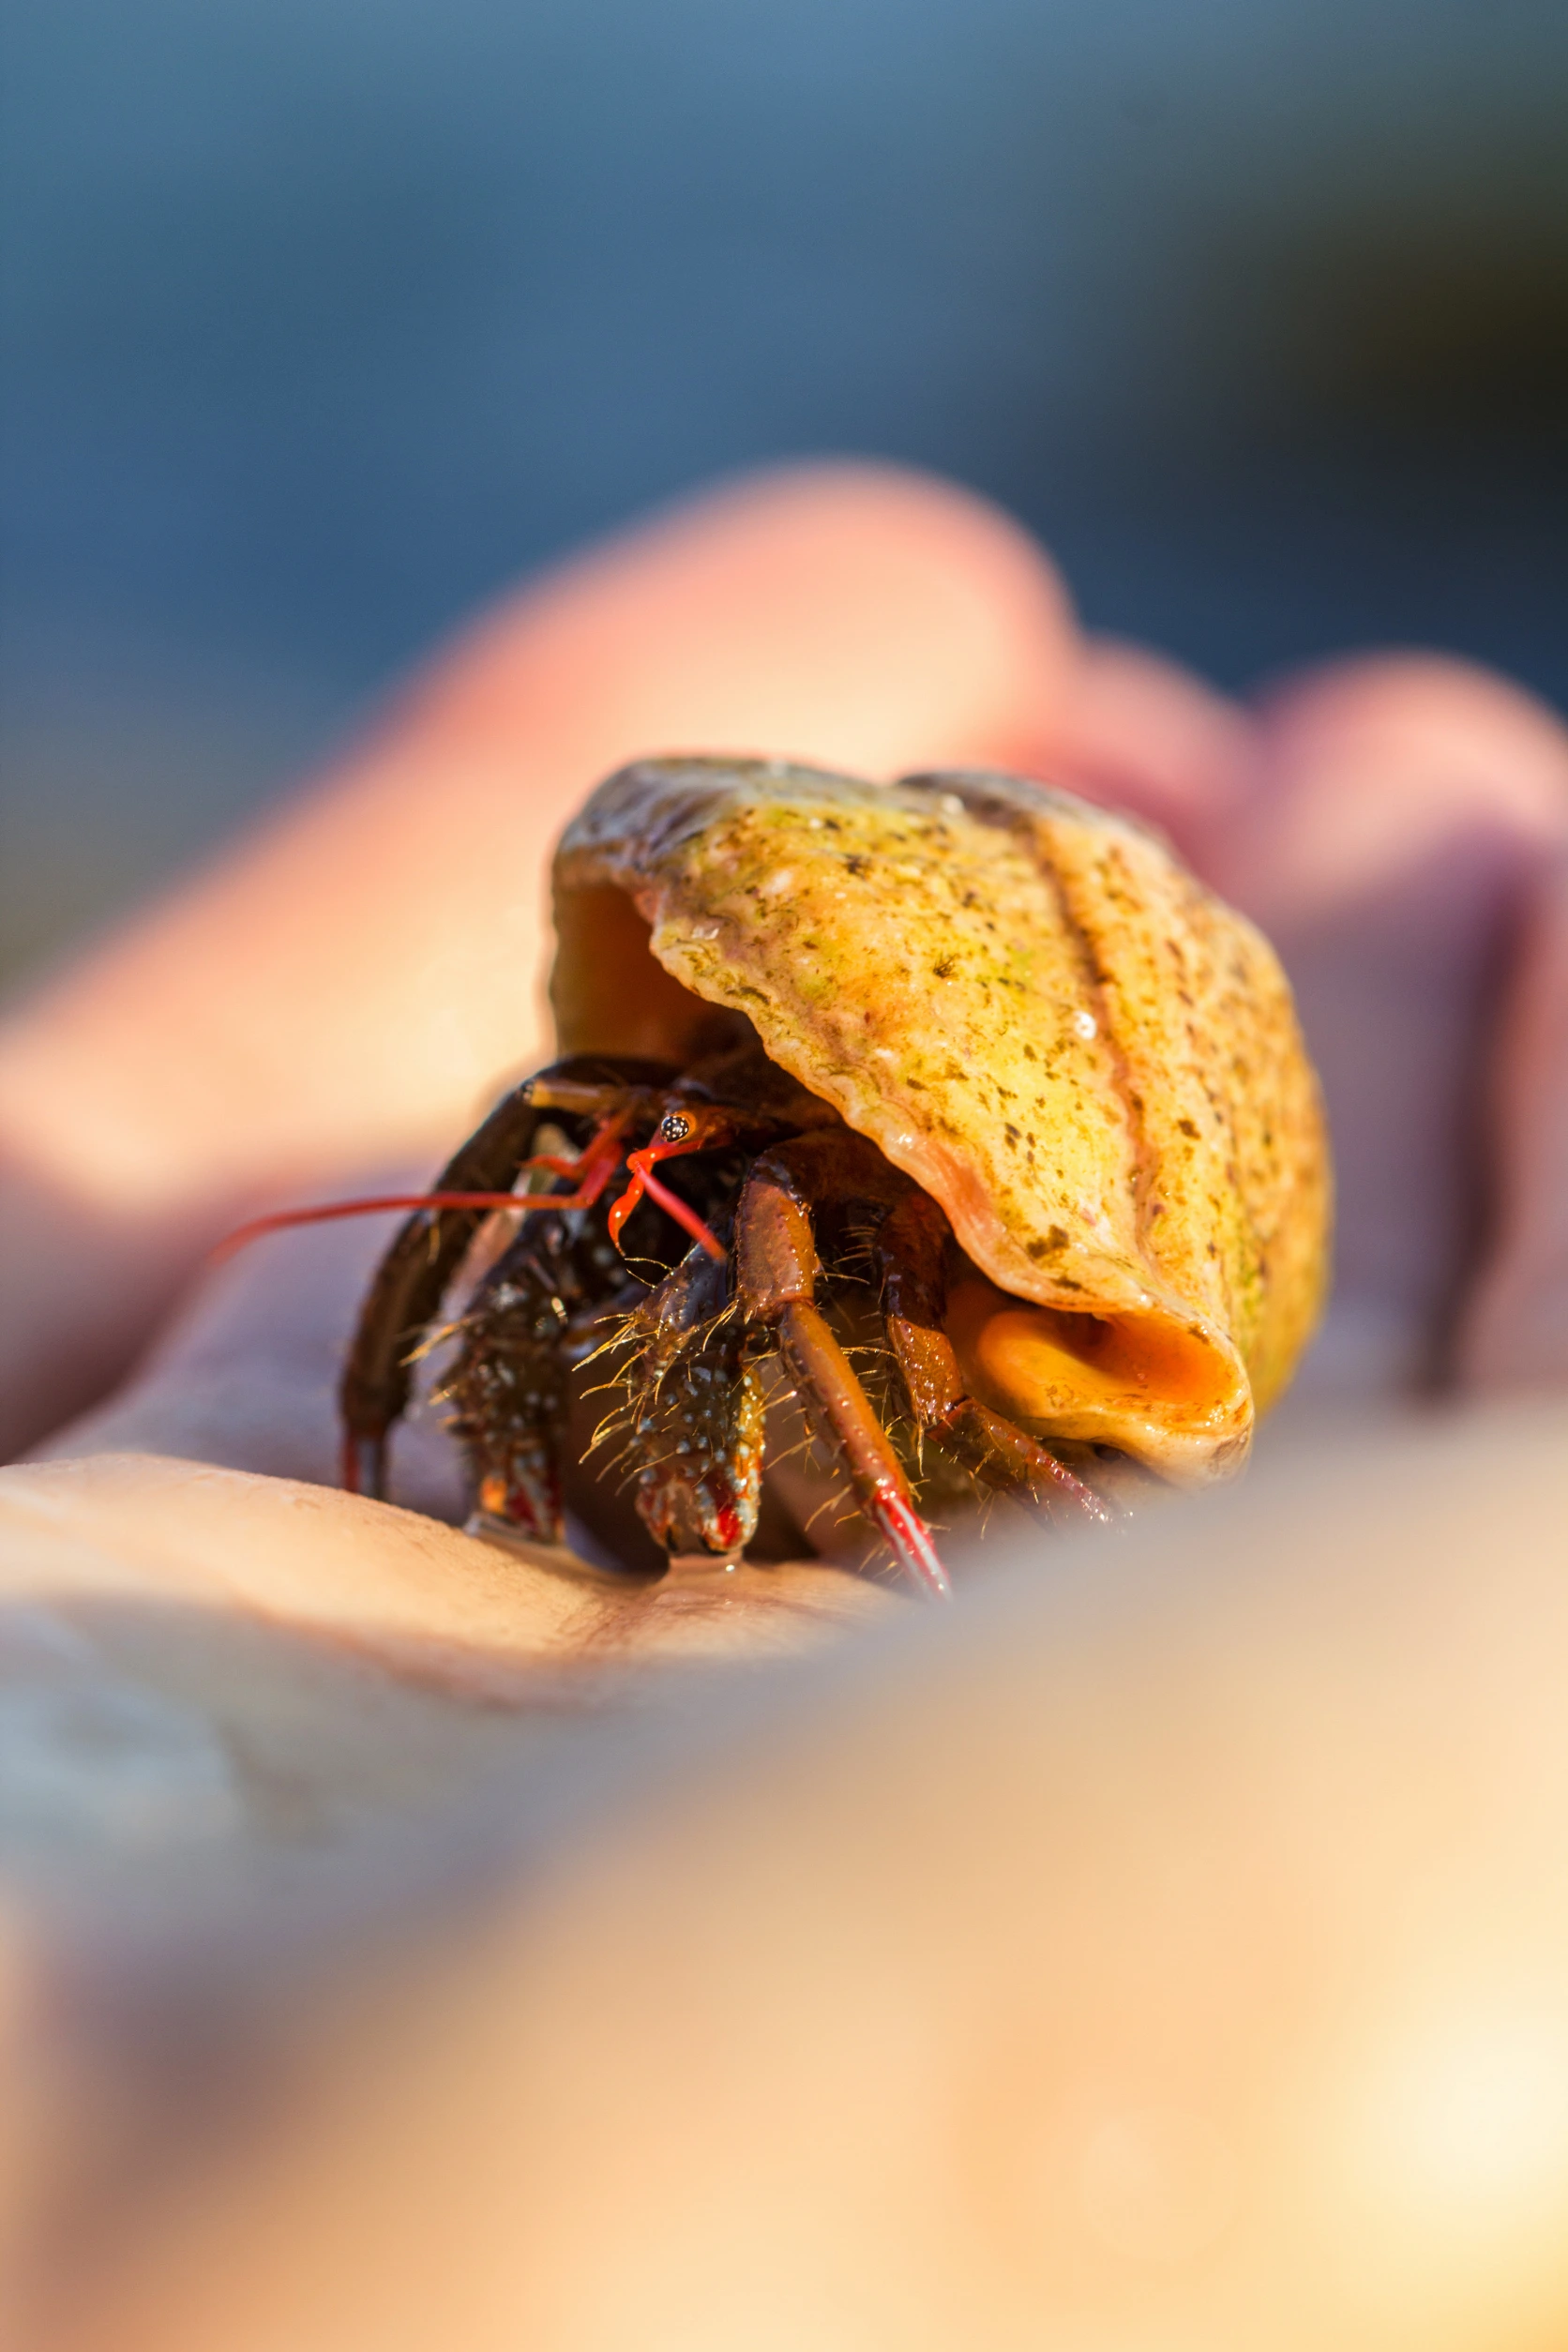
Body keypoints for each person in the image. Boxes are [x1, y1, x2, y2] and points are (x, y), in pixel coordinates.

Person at [1, 465, 1565, 2347]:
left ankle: (873, 1490)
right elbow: (570, 1135)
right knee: (642, 1148)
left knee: (762, 1202)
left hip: (945, 1310)